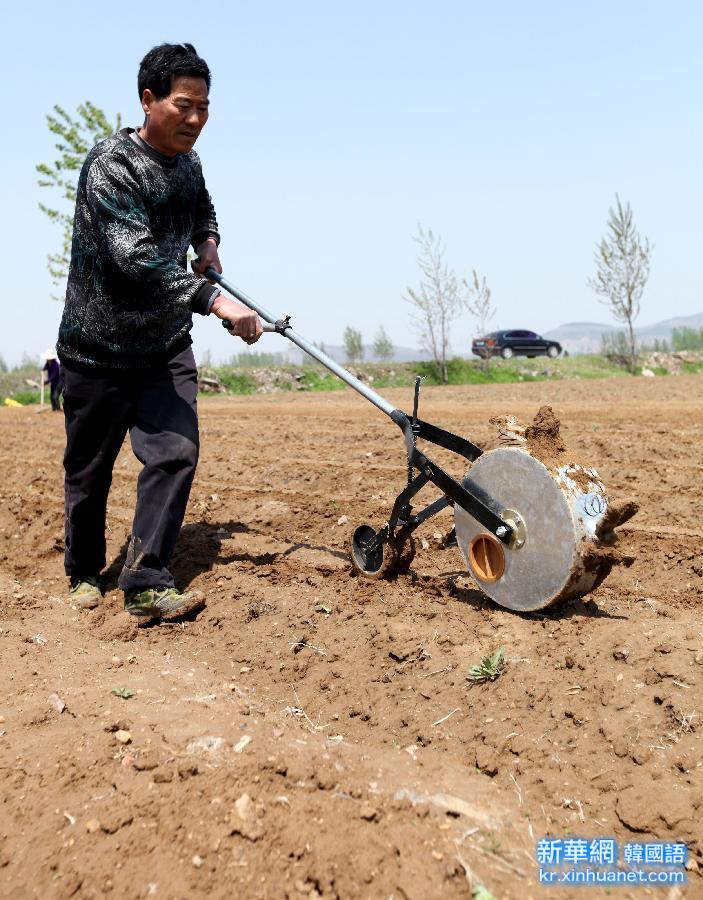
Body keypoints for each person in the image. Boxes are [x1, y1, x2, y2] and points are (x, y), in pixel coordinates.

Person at [57, 43, 262, 619]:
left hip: (163, 345)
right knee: (89, 472)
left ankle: (146, 580)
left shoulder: (189, 165)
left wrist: (208, 242)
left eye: (203, 107)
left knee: (175, 452)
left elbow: (202, 209)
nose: (195, 120)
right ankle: (82, 571)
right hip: (97, 349)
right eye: (183, 105)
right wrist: (213, 302)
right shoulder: (109, 164)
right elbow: (136, 259)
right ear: (148, 100)